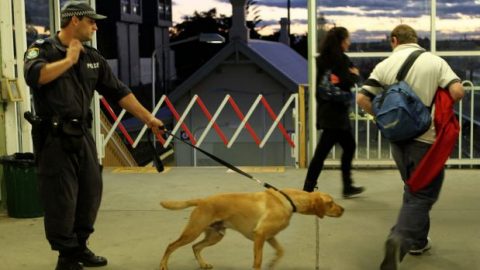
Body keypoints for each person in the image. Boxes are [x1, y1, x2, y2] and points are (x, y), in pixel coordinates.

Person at [23, 1, 164, 270]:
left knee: (90, 192)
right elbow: (36, 77)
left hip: (82, 134)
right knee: (61, 198)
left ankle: (78, 247)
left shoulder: (92, 57)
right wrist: (68, 61)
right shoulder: (42, 50)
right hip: (53, 137)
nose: (95, 26)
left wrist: (149, 119)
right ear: (75, 21)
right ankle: (66, 255)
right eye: (91, 21)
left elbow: (119, 92)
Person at [356, 24, 464, 270]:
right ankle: (400, 238)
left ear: (394, 40)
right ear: (415, 40)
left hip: (397, 140)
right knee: (423, 193)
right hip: (425, 140)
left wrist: (381, 118)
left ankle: (418, 241)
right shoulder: (435, 62)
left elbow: (362, 99)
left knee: (413, 187)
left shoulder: (384, 65)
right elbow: (457, 91)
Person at [303, 26, 365, 198]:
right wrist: (355, 75)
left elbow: (320, 89)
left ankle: (314, 187)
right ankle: (343, 187)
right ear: (341, 41)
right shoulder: (342, 60)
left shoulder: (322, 60)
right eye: (348, 39)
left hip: (326, 110)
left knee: (338, 148)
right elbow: (347, 81)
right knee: (327, 151)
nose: (349, 42)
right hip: (337, 114)